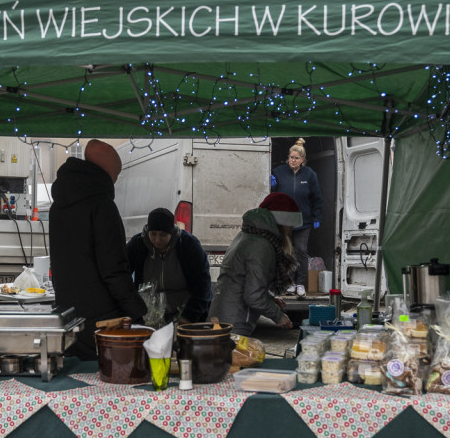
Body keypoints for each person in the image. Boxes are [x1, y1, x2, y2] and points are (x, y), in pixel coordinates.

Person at [50, 140, 147, 359]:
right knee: (110, 375)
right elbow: (114, 269)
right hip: (103, 322)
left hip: (69, 316)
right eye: (116, 176)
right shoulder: (102, 205)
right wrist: (137, 313)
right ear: (108, 175)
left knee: (77, 374)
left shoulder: (59, 206)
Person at [208, 192, 300, 336]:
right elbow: (253, 296)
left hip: (224, 316)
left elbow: (247, 283)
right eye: (290, 225)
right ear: (283, 223)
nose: (291, 231)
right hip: (233, 322)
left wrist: (270, 298)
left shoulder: (248, 236)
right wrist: (279, 316)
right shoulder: (261, 246)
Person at [126, 207, 212, 324]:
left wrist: (188, 317)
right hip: (147, 316)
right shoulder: (137, 245)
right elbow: (122, 277)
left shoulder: (189, 245)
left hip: (183, 314)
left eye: (163, 235)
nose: (157, 240)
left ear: (171, 233)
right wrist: (134, 313)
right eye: (153, 234)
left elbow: (202, 285)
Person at [270, 138, 323, 297]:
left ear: (302, 159)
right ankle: (289, 283)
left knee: (301, 250)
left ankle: (300, 283)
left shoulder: (310, 174)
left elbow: (317, 198)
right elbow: (272, 195)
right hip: (284, 219)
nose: (293, 160)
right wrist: (271, 185)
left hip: (303, 219)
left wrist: (317, 217)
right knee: (287, 251)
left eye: (296, 158)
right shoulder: (278, 172)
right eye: (291, 157)